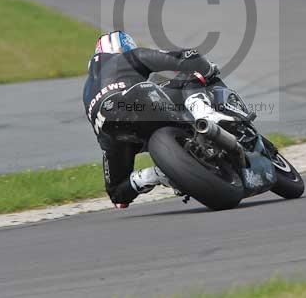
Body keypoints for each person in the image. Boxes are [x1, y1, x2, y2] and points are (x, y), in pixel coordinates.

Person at [83, 31, 223, 208]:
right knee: (190, 74)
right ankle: (207, 118)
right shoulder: (128, 57)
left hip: (109, 130)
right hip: (137, 100)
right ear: (124, 48)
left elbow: (119, 199)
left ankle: (156, 175)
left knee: (118, 193)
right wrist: (207, 68)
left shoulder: (87, 89)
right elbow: (184, 58)